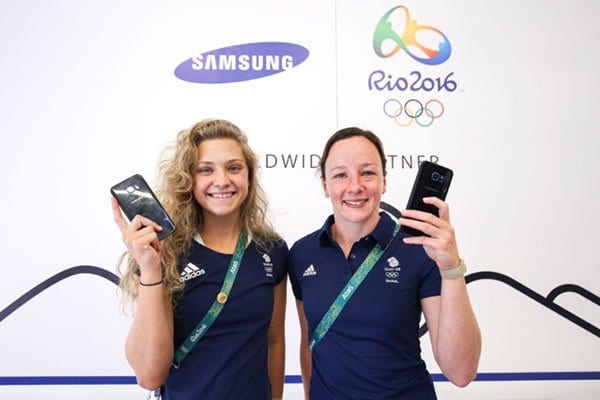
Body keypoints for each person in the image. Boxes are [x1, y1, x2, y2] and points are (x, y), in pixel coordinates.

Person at [289, 127, 481, 399]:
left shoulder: (419, 248)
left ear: (384, 181)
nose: (355, 186)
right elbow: (309, 344)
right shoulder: (302, 253)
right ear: (325, 186)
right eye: (340, 175)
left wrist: (451, 269)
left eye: (367, 173)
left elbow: (461, 372)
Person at [112, 119, 287, 400]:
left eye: (234, 168)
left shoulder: (272, 249)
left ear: (249, 175)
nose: (222, 181)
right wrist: (150, 268)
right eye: (206, 170)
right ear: (188, 179)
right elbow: (148, 374)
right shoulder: (163, 251)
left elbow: (274, 340)